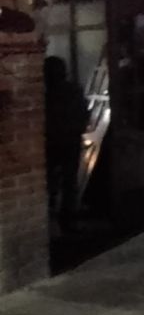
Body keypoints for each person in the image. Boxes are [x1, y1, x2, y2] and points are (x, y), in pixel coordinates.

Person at [43, 56, 88, 232]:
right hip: (71, 141)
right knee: (69, 183)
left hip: (50, 143)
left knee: (49, 181)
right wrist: (78, 130)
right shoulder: (74, 90)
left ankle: (48, 215)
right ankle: (68, 221)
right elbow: (83, 115)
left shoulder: (44, 94)